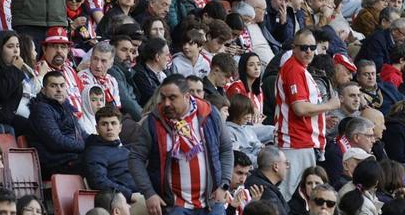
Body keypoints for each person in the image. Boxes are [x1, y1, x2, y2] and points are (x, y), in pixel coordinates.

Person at [127, 73, 233, 215]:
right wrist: (149, 193)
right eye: (163, 97)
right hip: (174, 206)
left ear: (187, 96)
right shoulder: (153, 122)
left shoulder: (209, 114)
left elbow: (226, 149)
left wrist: (224, 185)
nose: (166, 103)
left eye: (172, 98)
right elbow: (136, 158)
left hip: (211, 202)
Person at [274, 30, 341, 200]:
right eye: (304, 47)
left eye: (312, 47)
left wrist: (320, 118)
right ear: (294, 48)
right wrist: (330, 105)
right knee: (288, 195)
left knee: (303, 196)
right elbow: (299, 108)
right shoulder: (294, 70)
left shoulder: (300, 69)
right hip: (296, 142)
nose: (309, 51)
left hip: (302, 141)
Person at [29, 70, 87, 178]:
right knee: (95, 160)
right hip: (55, 162)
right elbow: (56, 141)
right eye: (53, 86)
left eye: (62, 85)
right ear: (43, 90)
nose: (59, 89)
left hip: (70, 156)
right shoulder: (41, 109)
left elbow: (81, 134)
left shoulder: (67, 108)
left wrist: (97, 141)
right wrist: (85, 146)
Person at [83, 104, 138, 202]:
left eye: (113, 123)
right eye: (104, 124)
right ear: (97, 128)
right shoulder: (94, 153)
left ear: (120, 128)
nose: (109, 128)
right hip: (125, 201)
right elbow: (99, 181)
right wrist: (129, 195)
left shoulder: (124, 150)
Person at [245, 146, 290, 215]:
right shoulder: (262, 190)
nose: (287, 167)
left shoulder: (258, 181)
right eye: (286, 163)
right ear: (276, 166)